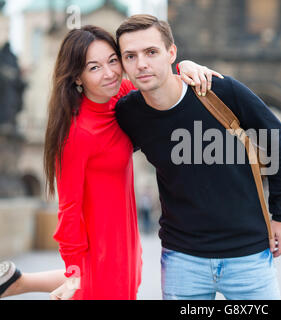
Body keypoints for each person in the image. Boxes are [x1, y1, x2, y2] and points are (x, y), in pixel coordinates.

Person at [0, 25, 219, 300]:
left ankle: (18, 283)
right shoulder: (77, 133)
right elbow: (69, 208)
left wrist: (184, 66)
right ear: (77, 77)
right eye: (94, 68)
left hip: (124, 238)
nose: (109, 73)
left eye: (112, 61)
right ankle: (21, 283)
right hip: (99, 245)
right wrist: (73, 272)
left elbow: (159, 83)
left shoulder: (121, 94)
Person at [114, 14, 281, 300]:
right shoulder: (129, 113)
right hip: (182, 260)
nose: (142, 64)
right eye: (130, 56)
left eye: (151, 52)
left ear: (171, 53)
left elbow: (280, 142)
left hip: (248, 256)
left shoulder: (219, 90)